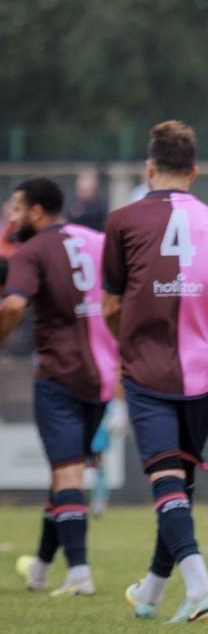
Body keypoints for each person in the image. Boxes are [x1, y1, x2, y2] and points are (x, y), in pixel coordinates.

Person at [104, 121, 208, 624]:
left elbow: (109, 304)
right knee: (178, 486)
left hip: (147, 370)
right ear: (195, 172)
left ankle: (200, 590)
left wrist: (122, 340)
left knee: (168, 482)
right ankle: (150, 593)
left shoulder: (123, 222)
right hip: (205, 375)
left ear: (149, 169)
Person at [1, 177, 117, 597]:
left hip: (59, 374)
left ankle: (80, 573)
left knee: (66, 472)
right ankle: (41, 567)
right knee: (64, 473)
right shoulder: (96, 238)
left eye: (14, 208)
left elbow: (13, 304)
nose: (9, 216)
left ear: (35, 212)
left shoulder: (30, 251)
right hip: (102, 375)